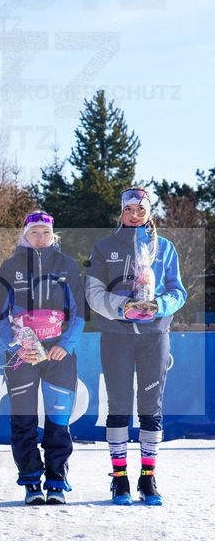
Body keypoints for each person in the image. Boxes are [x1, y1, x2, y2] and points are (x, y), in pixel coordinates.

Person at [85, 187, 185, 505]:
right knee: (118, 407)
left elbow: (178, 291)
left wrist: (159, 306)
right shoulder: (103, 247)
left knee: (151, 409)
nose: (134, 214)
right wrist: (121, 308)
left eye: (140, 209)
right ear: (122, 211)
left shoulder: (165, 248)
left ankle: (148, 478)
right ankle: (119, 480)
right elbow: (92, 292)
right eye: (129, 208)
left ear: (148, 211)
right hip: (116, 337)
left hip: (155, 335)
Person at [0, 211, 85, 505]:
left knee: (58, 420)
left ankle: (56, 480)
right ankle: (32, 482)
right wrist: (15, 344)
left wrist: (66, 344)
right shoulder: (10, 265)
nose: (40, 238)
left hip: (58, 354)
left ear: (53, 235)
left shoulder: (67, 265)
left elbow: (79, 313)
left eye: (45, 232)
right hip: (22, 355)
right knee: (24, 420)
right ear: (24, 235)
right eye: (34, 232)